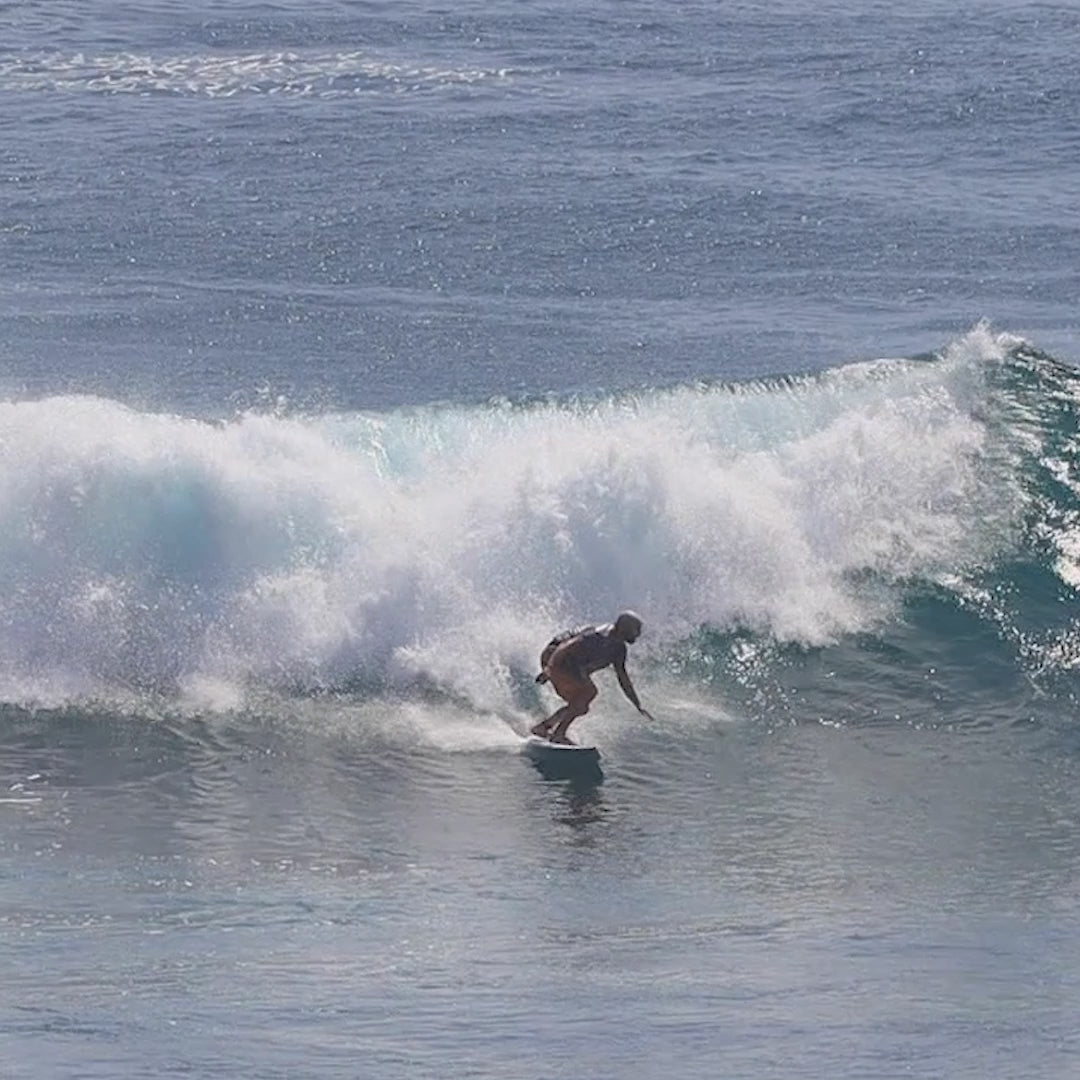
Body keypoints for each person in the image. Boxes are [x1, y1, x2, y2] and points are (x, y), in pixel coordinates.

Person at [531, 611, 654, 744]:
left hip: (567, 665)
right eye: (637, 630)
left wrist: (637, 704)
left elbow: (623, 678)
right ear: (625, 628)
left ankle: (544, 727)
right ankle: (558, 734)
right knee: (589, 692)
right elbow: (564, 647)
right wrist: (548, 670)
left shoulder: (618, 648)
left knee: (580, 706)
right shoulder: (598, 636)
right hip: (555, 657)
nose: (639, 634)